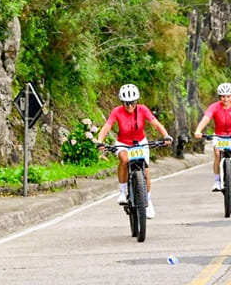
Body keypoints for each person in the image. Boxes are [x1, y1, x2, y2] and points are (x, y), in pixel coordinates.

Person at [94, 83, 173, 219]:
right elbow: (107, 126)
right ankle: (122, 192)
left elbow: (156, 124)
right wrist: (100, 141)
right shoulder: (116, 111)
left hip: (140, 143)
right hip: (123, 144)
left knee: (145, 172)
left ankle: (148, 201)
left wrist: (166, 136)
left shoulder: (143, 109)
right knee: (124, 160)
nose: (130, 106)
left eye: (132, 102)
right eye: (126, 103)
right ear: (122, 102)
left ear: (136, 101)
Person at [192, 82, 231, 191]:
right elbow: (206, 119)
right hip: (219, 136)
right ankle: (217, 181)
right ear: (219, 97)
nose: (226, 99)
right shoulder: (214, 107)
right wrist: (198, 130)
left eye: (228, 96)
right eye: (223, 96)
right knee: (217, 155)